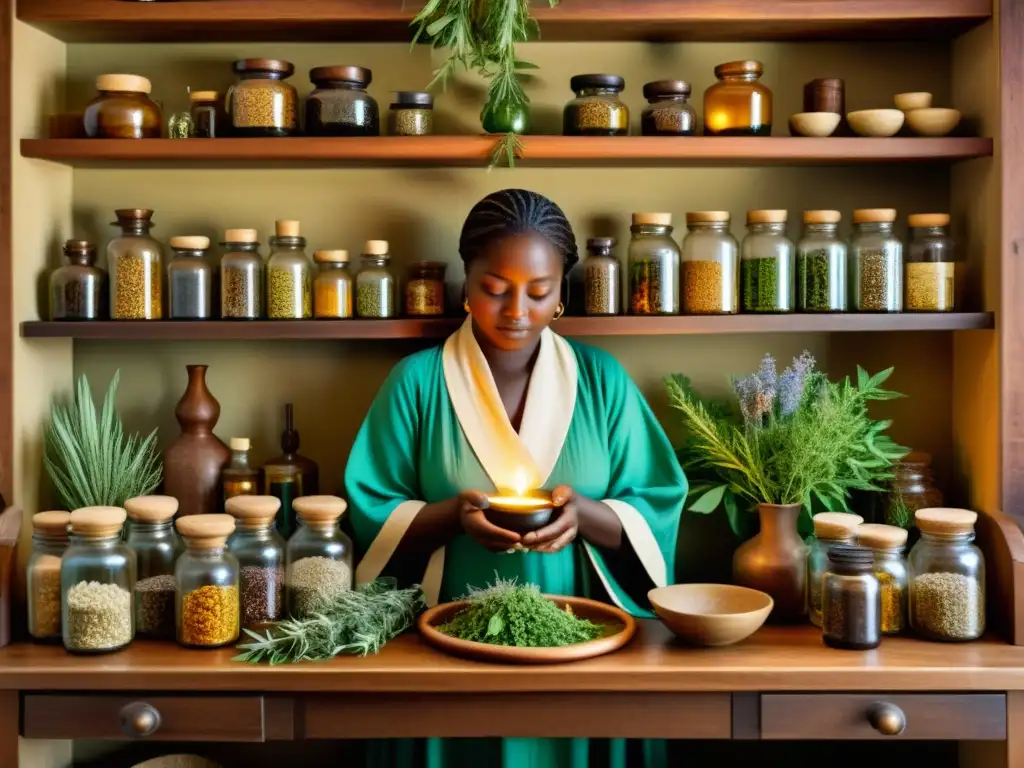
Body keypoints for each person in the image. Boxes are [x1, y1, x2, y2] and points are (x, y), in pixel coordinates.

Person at [346, 188, 687, 768]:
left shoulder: (601, 380)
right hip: (446, 647)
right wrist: (451, 517)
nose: (516, 310)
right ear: (466, 285)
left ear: (562, 295)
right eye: (495, 289)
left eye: (539, 291)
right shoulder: (417, 383)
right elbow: (370, 506)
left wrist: (586, 517)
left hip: (583, 645)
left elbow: (656, 500)